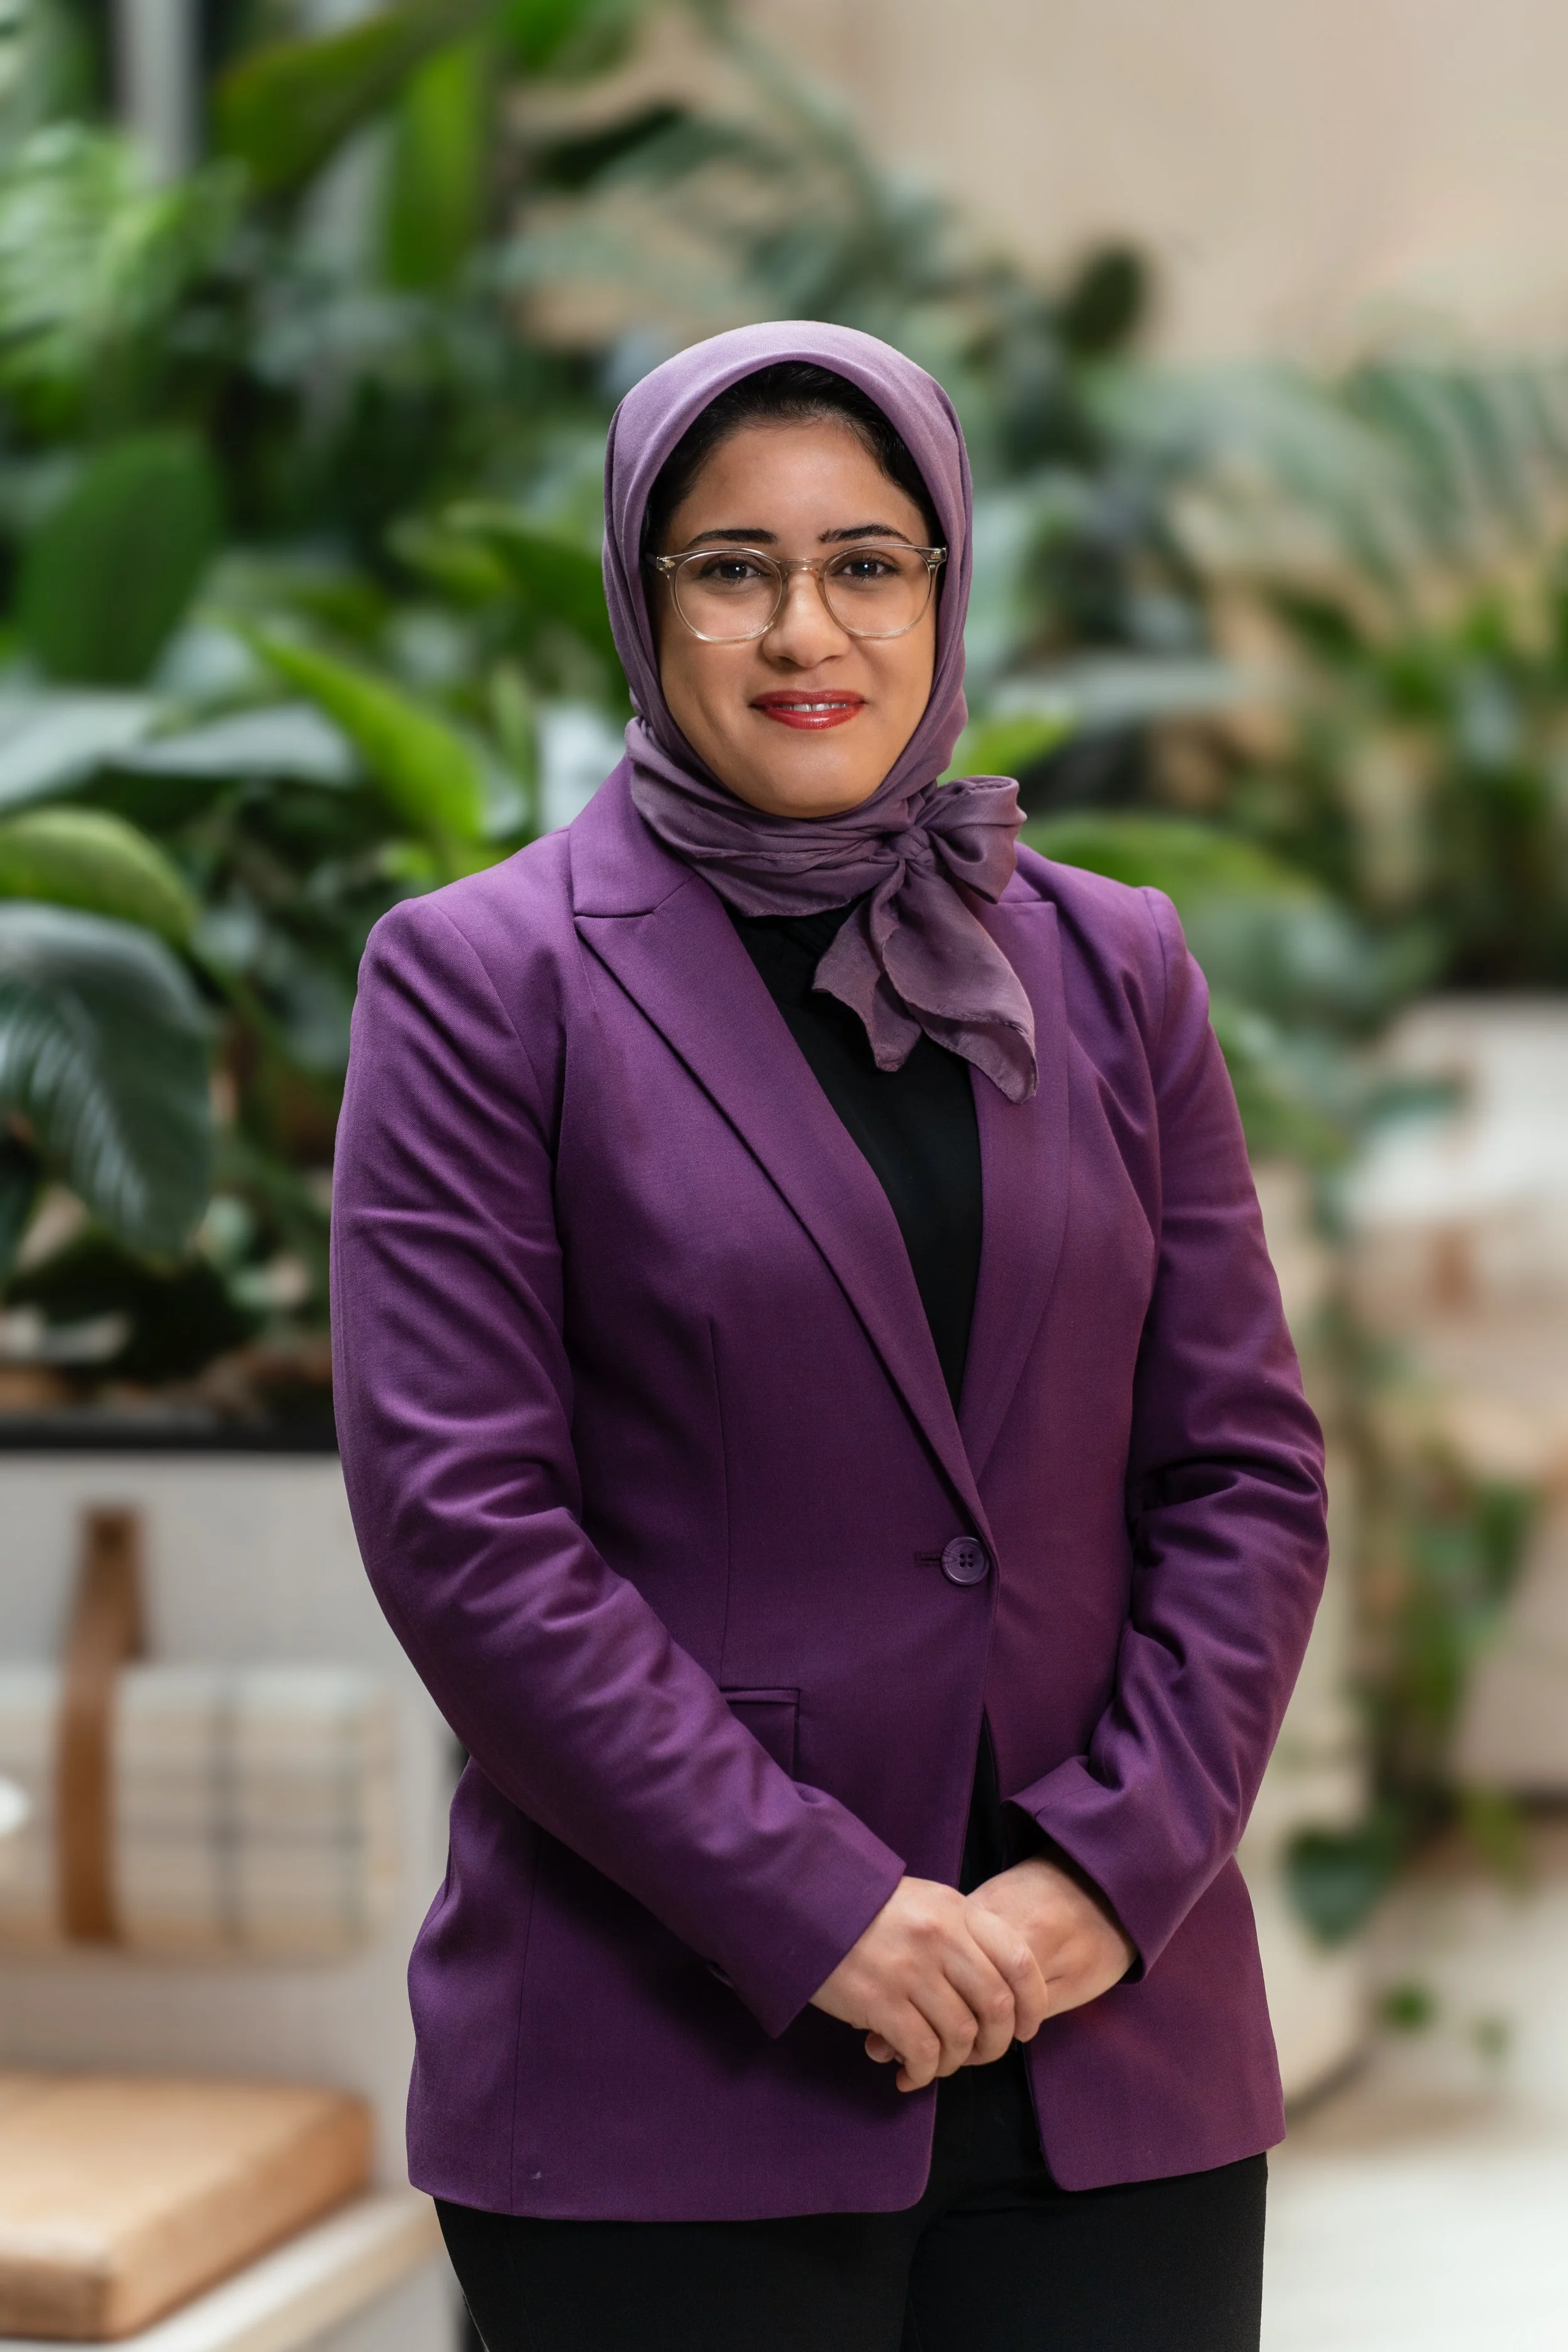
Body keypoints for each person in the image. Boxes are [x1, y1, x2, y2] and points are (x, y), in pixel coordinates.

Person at [331, 320, 1328, 2352]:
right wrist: (821, 1910)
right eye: (734, 565)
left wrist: (1103, 1875)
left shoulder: (1115, 960)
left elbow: (1241, 1470)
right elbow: (469, 1530)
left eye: (870, 561)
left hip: (1102, 2055)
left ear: (944, 588)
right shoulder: (478, 980)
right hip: (663, 2071)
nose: (810, 626)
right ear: (642, 590)